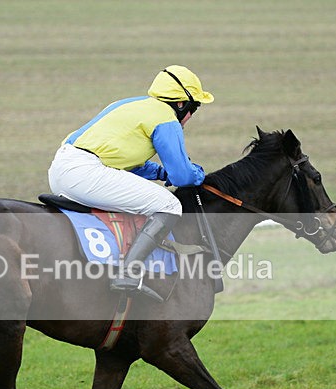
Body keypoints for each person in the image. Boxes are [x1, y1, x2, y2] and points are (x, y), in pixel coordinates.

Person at [48, 65, 214, 301]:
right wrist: (198, 174)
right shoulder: (166, 119)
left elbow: (121, 158)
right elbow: (183, 177)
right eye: (194, 108)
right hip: (85, 171)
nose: (190, 117)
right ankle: (129, 272)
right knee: (169, 205)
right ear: (181, 104)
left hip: (62, 167)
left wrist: (158, 172)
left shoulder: (130, 104)